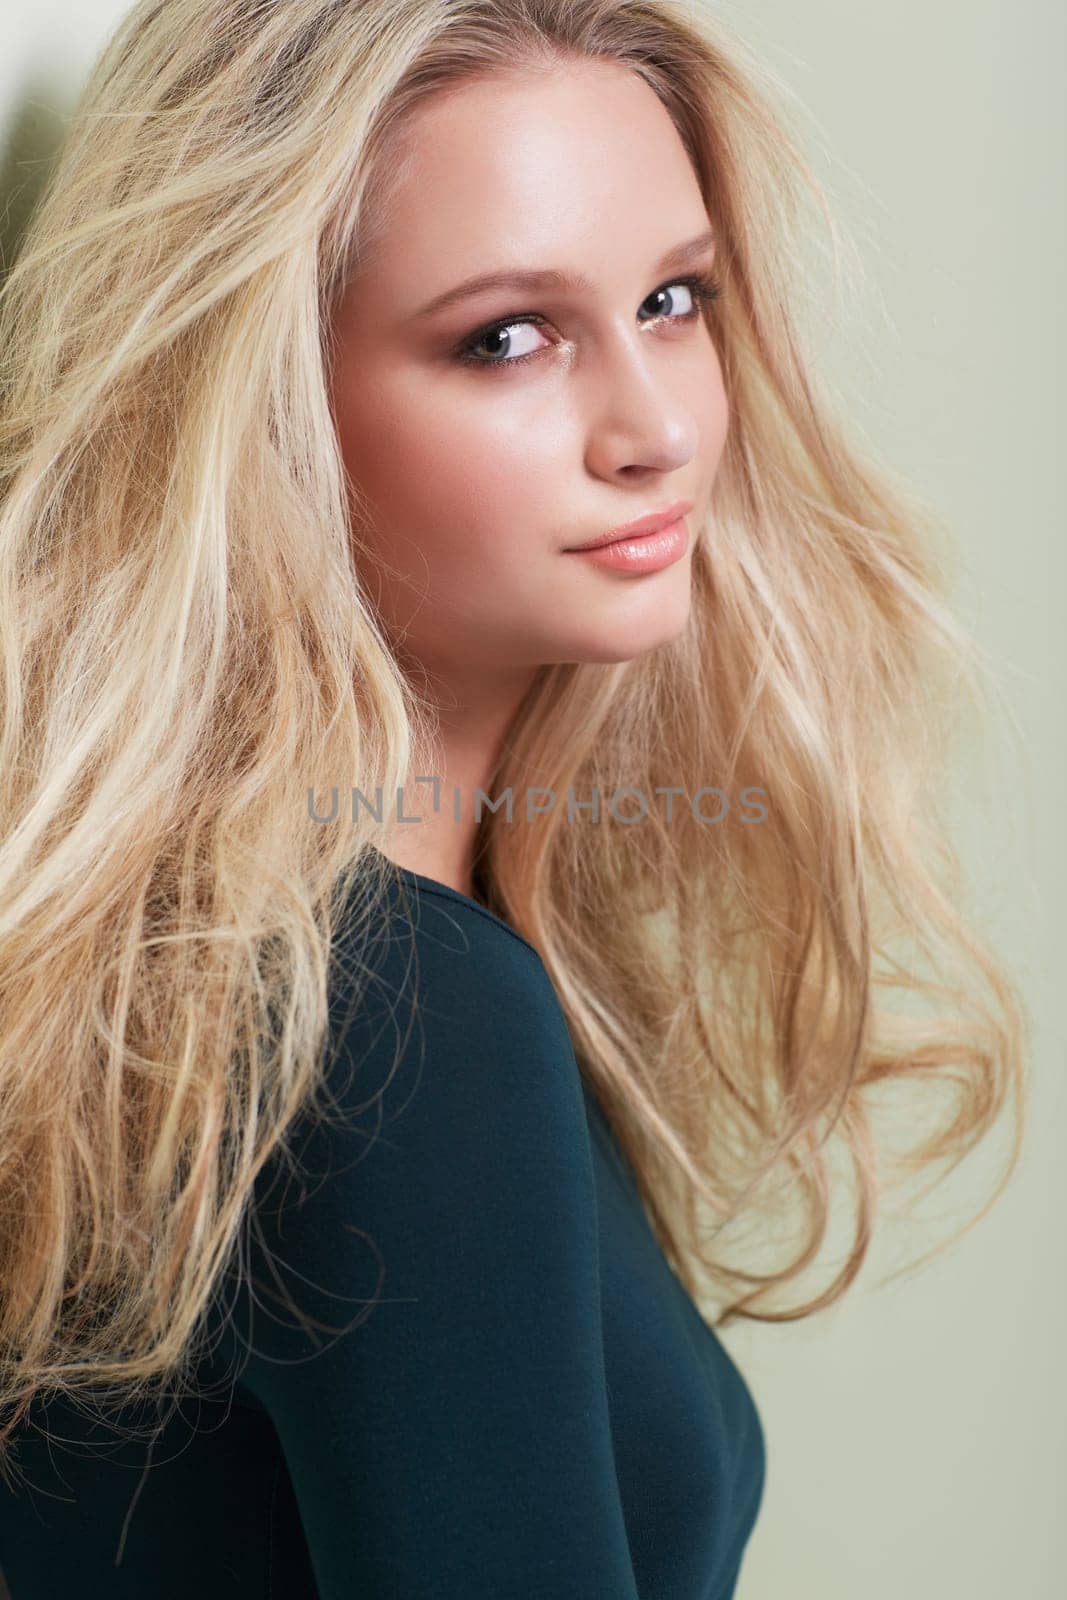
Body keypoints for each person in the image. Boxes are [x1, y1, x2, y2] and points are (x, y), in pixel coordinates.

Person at [0, 2, 1027, 1596]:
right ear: (262, 399)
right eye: (508, 337)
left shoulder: (208, 990)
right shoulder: (401, 1009)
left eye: (674, 300)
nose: (657, 428)